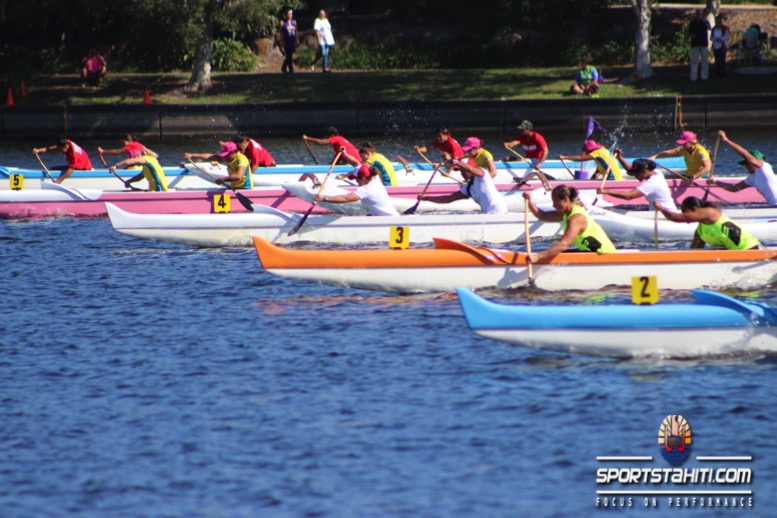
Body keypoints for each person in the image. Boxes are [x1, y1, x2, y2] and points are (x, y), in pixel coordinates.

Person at [523, 185, 616, 262]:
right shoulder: (566, 213)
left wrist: (538, 256)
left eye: (555, 202)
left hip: (604, 256)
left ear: (565, 199)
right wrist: (529, 201)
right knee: (554, 253)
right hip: (591, 252)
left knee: (554, 252)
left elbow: (564, 244)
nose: (553, 205)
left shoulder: (577, 218)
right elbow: (542, 216)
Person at [655, 196, 762, 250]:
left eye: (686, 213)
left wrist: (660, 208)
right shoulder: (700, 231)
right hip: (734, 255)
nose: (686, 217)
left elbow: (675, 218)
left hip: (750, 250)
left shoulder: (709, 212)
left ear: (695, 208)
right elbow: (695, 250)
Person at [709, 130, 777, 205]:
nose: (745, 166)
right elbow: (734, 188)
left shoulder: (764, 167)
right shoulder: (752, 178)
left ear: (752, 162)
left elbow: (745, 154)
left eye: (746, 164)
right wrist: (715, 182)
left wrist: (726, 140)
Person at [418, 158, 507, 214]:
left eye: (462, 171)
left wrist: (455, 161)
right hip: (488, 214)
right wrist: (426, 198)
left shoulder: (483, 174)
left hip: (499, 212)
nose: (461, 173)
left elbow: (470, 169)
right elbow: (448, 199)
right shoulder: (468, 188)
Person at [598, 151, 678, 211]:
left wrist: (606, 191)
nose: (635, 176)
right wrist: (619, 157)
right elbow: (630, 169)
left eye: (637, 174)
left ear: (644, 172)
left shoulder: (651, 183)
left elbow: (629, 196)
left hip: (665, 215)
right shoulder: (656, 172)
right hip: (657, 212)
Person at [314, 164, 399, 216]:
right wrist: (344, 153)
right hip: (389, 217)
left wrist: (324, 198)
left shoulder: (365, 190)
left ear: (363, 178)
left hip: (389, 221)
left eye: (357, 179)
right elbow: (358, 166)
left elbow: (345, 198)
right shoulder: (375, 177)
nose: (356, 181)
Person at [184, 142, 252, 190]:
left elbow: (238, 176)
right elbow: (210, 157)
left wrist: (222, 179)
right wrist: (192, 155)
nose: (224, 157)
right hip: (234, 188)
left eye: (226, 155)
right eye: (224, 155)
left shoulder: (242, 159)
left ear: (233, 152)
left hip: (246, 188)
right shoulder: (229, 157)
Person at [688, 10, 710, 81]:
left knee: (704, 61)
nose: (699, 16)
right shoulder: (692, 22)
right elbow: (689, 32)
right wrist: (692, 35)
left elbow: (709, 28)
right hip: (695, 43)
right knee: (694, 61)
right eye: (698, 14)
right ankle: (693, 77)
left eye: (700, 15)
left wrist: (704, 21)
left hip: (703, 43)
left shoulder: (705, 22)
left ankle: (704, 77)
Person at [276, 9, 298, 74]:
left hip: (292, 41)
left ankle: (283, 67)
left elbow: (296, 31)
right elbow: (280, 32)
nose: (289, 15)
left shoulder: (294, 22)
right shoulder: (283, 23)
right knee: (289, 55)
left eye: (290, 14)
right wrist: (281, 41)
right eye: (288, 14)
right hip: (286, 41)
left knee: (289, 55)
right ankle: (291, 69)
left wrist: (297, 39)